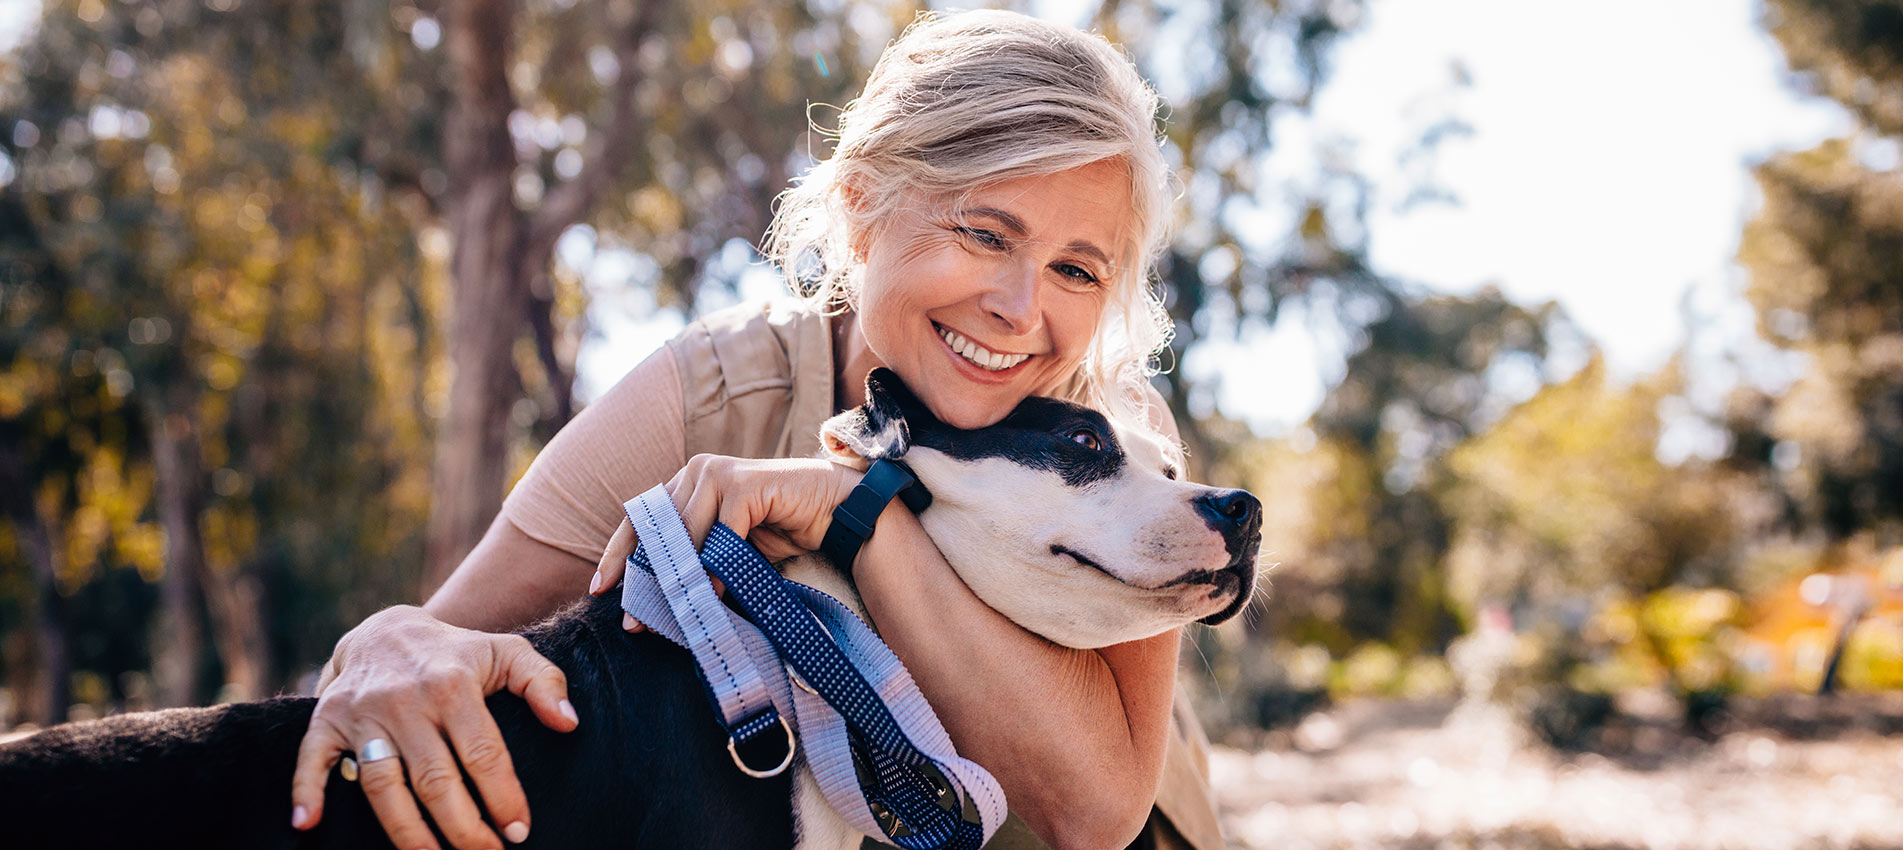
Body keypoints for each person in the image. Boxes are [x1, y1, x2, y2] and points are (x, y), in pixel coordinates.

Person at [288, 10, 1227, 850]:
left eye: (1076, 269)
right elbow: (431, 641)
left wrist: (851, 514)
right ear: (861, 205)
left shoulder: (1113, 438)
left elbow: (1092, 814)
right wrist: (387, 644)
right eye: (986, 234)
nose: (1022, 310)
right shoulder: (711, 395)